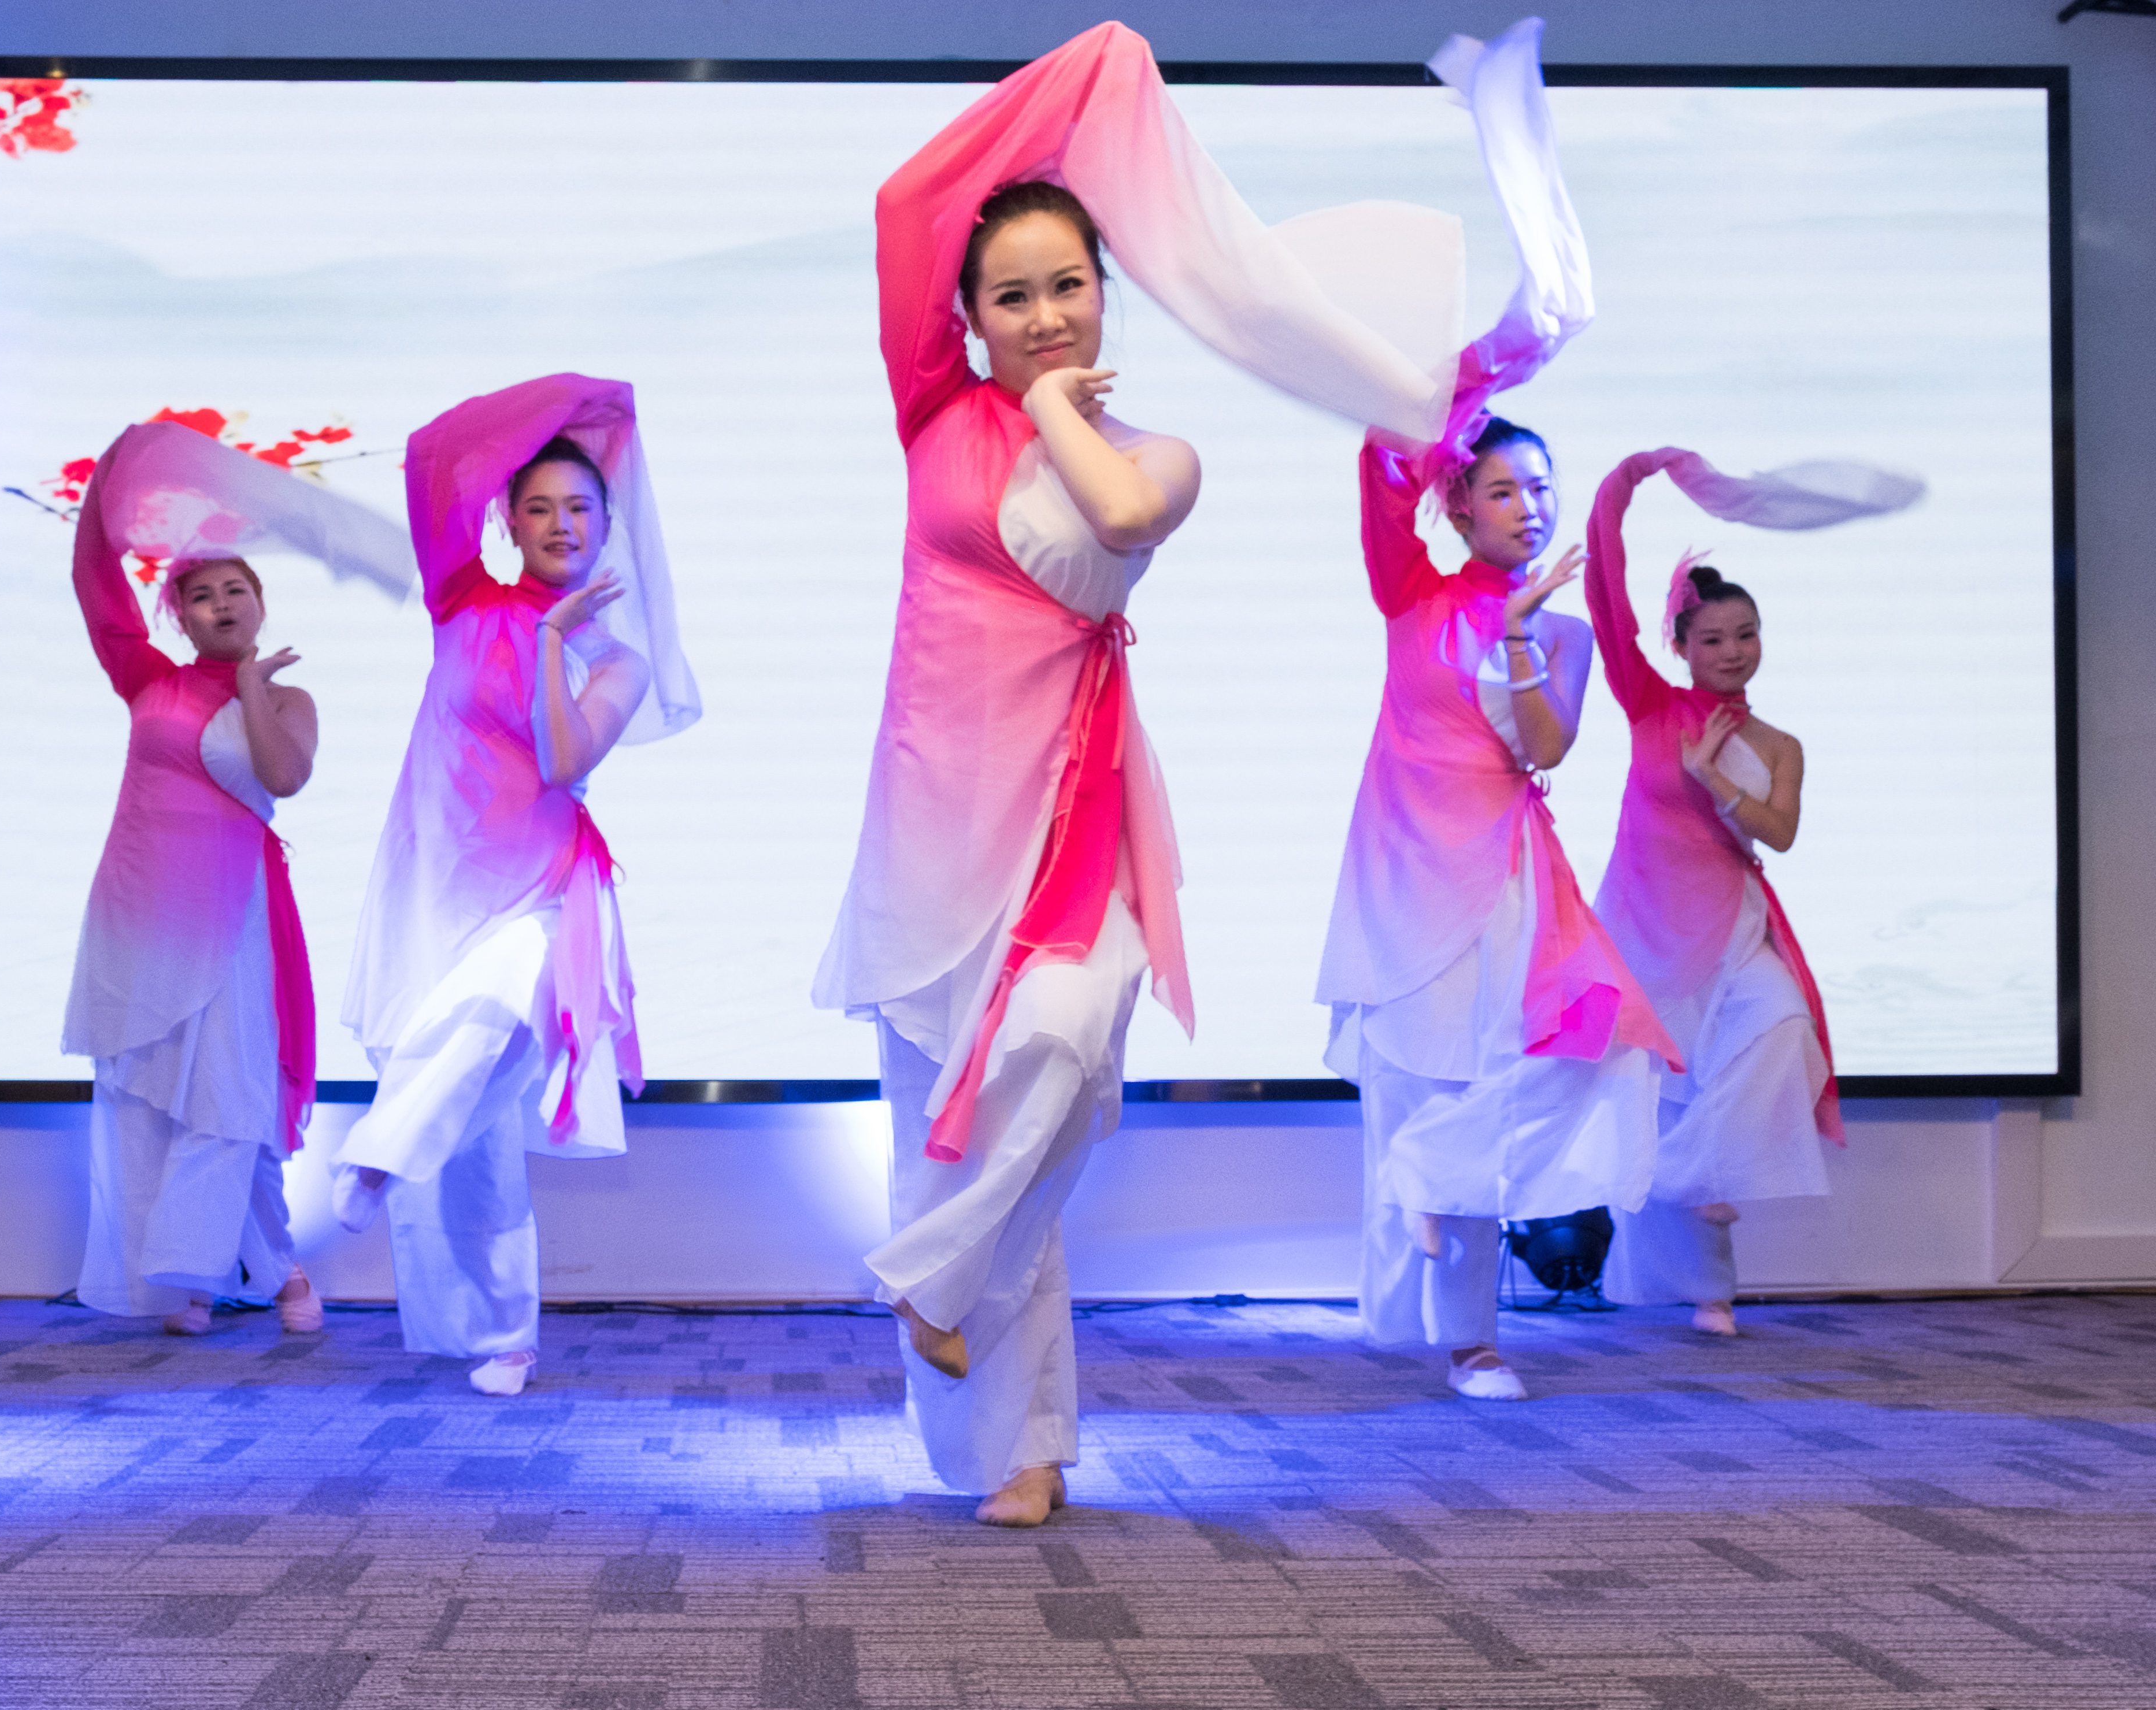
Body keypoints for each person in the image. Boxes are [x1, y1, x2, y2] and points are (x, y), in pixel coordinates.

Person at [816, 20, 1506, 1523]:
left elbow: (1118, 516)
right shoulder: (929, 411)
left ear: (1106, 288)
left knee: (1059, 1064)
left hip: (1072, 818)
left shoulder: (1158, 451)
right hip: (928, 825)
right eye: (1009, 295)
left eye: (1067, 283)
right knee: (954, 1125)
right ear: (964, 316)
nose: (1042, 314)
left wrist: (1050, 403)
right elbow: (903, 204)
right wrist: (1084, 80)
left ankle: (928, 1280)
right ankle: (1021, 1447)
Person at [1313, 18, 1696, 1400]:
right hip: (1401, 877)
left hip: (1504, 883)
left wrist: (1530, 639)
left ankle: (1474, 1326)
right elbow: (1382, 449)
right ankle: (1441, 1315)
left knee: (1555, 1069)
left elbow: (1545, 750)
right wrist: (1488, 365)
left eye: (1541, 489)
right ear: (1458, 505)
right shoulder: (1409, 592)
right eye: (1501, 488)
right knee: (1422, 1089)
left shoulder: (1557, 626)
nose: (1528, 506)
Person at [336, 375, 699, 1399]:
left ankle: (375, 1153)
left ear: (607, 525)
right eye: (536, 506)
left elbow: (559, 756)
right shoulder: (462, 597)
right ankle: (502, 1338)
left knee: (494, 1006)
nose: (560, 523)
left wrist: (549, 639)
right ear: (506, 519)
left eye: (579, 506)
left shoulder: (617, 660)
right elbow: (431, 459)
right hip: (434, 877)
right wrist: (569, 406)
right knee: (478, 1134)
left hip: (544, 888)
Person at [62, 418, 412, 1336]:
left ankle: (196, 1274)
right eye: (200, 596)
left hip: (234, 918)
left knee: (229, 1093)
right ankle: (272, 1273)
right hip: (139, 911)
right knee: (157, 1094)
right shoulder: (147, 680)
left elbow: (282, 776)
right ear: (177, 617)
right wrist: (108, 488)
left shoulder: (289, 697)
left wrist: (252, 684)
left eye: (235, 590)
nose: (220, 604)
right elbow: (94, 584)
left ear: (259, 602)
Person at [1581, 447, 1921, 1332]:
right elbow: (1605, 592)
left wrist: (1712, 779)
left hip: (1730, 928)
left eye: (1745, 635)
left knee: (1781, 1027)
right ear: (1680, 646)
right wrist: (1625, 482)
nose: (1732, 652)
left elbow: (1779, 833)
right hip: (1643, 928)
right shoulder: (1649, 704)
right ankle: (1707, 1289)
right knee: (1658, 1095)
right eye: (1712, 639)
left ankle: (1696, 1191)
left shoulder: (1777, 744)